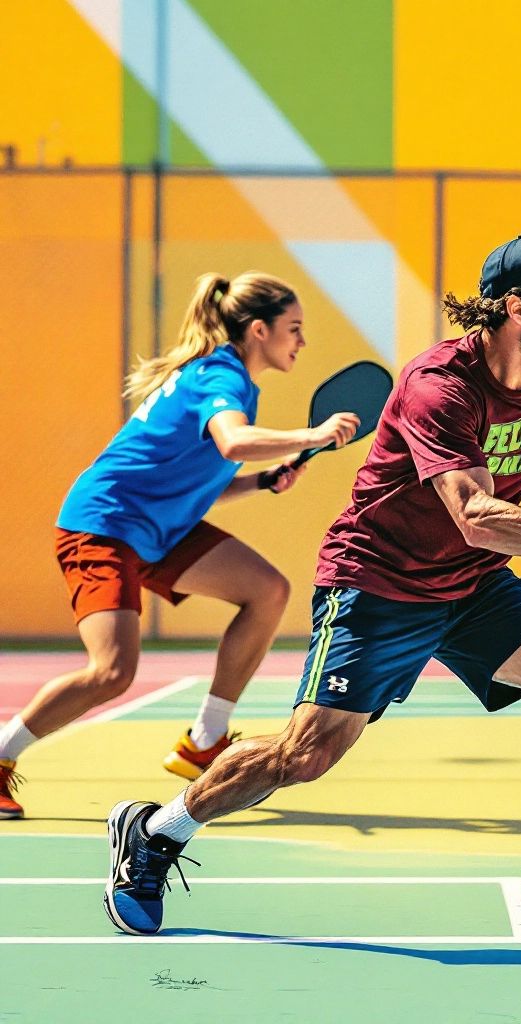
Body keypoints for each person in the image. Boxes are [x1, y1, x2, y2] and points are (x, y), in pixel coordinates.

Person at [103, 235, 521, 951]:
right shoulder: (439, 386)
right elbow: (476, 517)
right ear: (516, 309)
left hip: (470, 583)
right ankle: (153, 831)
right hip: (378, 580)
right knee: (307, 755)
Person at [0, 272, 358, 820]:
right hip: (106, 524)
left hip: (160, 528)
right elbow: (234, 441)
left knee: (266, 590)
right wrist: (311, 435)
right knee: (112, 672)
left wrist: (261, 482)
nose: (302, 341)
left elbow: (201, 478)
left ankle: (204, 741)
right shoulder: (221, 377)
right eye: (294, 329)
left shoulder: (227, 379)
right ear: (259, 330)